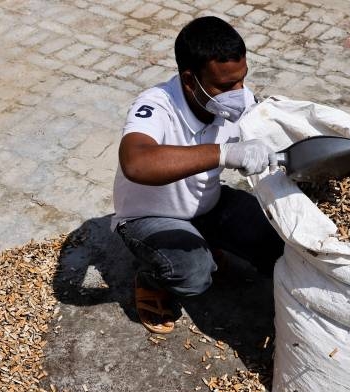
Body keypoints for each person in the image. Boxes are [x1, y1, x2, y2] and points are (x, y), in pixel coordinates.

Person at [112, 16, 284, 334]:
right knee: (192, 273)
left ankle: (205, 240)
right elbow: (136, 163)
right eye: (225, 86)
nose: (238, 92)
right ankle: (151, 278)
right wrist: (223, 153)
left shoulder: (238, 100)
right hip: (149, 217)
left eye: (241, 79)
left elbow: (278, 128)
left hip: (209, 203)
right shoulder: (156, 105)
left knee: (280, 239)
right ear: (190, 81)